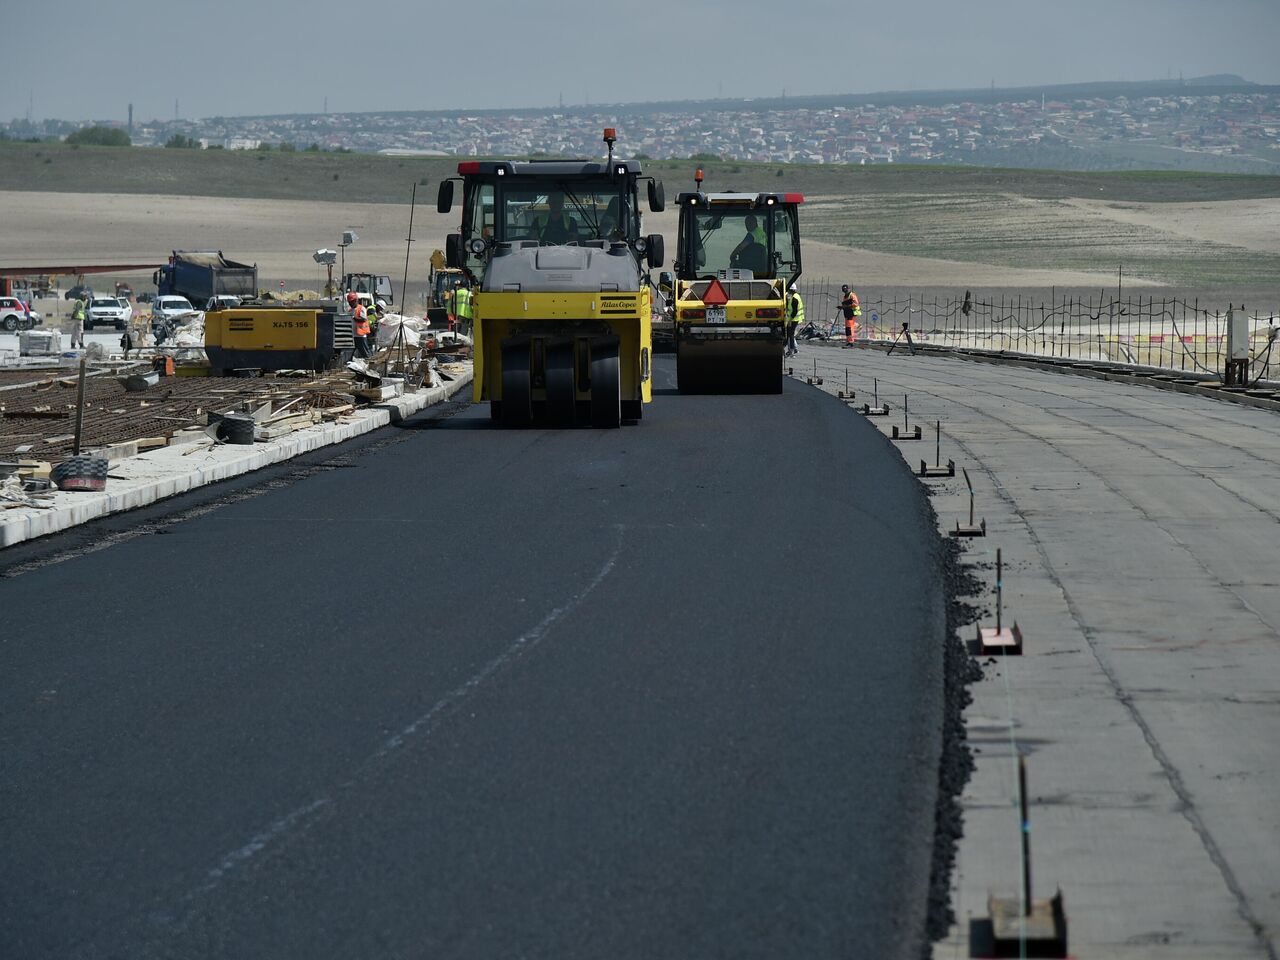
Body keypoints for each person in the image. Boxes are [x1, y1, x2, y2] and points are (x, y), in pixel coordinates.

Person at [786, 285, 804, 357]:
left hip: (793, 319)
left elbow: (794, 311)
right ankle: (794, 349)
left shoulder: (794, 298)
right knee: (791, 334)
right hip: (795, 319)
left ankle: (792, 351)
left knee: (790, 335)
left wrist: (790, 320)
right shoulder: (796, 296)